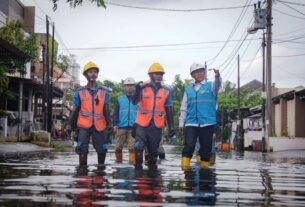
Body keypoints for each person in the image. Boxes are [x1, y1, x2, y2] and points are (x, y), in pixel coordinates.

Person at [132, 62, 175, 170]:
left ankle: (152, 175)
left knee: (153, 151)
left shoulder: (166, 90)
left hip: (156, 125)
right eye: (156, 74)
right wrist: (137, 88)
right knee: (139, 146)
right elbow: (134, 101)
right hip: (141, 123)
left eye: (161, 74)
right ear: (150, 75)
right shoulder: (142, 88)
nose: (159, 76)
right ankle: (138, 172)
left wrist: (171, 127)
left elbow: (169, 108)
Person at [69, 61, 112, 167]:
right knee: (82, 148)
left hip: (99, 126)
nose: (93, 74)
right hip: (83, 126)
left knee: (102, 149)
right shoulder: (79, 92)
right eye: (90, 72)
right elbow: (75, 110)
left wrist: (109, 124)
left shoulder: (104, 92)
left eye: (95, 72)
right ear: (85, 74)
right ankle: (82, 173)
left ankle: (100, 172)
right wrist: (72, 125)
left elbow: (106, 109)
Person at [179, 62, 221, 169]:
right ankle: (185, 172)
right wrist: (181, 123)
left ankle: (204, 172)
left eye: (202, 71)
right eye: (196, 72)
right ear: (192, 75)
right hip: (191, 122)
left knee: (206, 148)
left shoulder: (211, 86)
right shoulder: (188, 90)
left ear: (205, 73)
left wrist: (217, 76)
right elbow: (184, 108)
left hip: (207, 123)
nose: (199, 74)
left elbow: (218, 85)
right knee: (188, 146)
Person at [112, 77, 139, 164]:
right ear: (124, 87)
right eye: (127, 85)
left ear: (134, 87)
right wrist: (115, 124)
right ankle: (118, 162)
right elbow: (115, 113)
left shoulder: (138, 99)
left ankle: (132, 164)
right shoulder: (120, 99)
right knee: (118, 147)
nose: (130, 87)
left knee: (132, 147)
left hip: (133, 127)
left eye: (131, 85)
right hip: (121, 126)